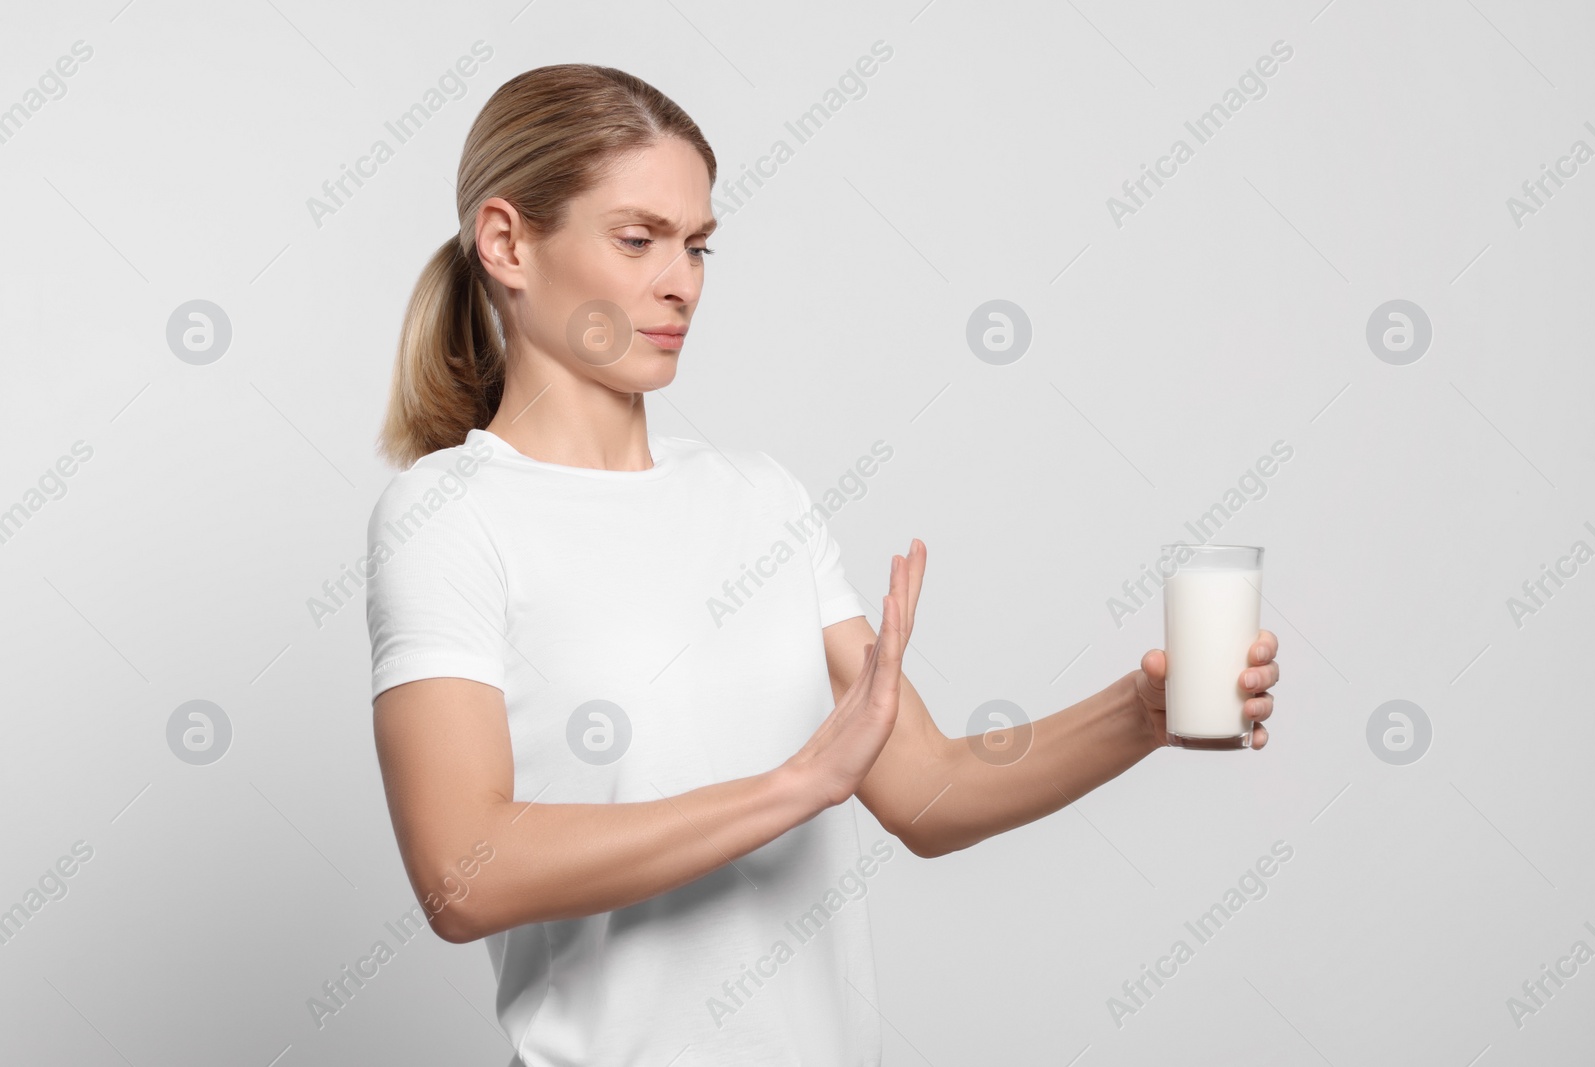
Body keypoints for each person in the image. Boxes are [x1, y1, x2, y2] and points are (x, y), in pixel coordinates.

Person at [365, 63, 1279, 1066]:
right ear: (507, 243)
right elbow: (463, 873)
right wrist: (797, 783)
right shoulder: (451, 515)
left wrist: (1141, 715)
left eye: (698, 245)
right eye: (637, 239)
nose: (682, 281)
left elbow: (924, 792)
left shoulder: (762, 500)